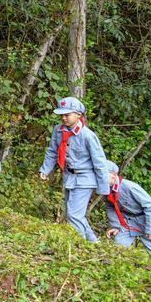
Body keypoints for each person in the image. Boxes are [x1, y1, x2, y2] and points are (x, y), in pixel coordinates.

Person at [39, 96, 110, 243]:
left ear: (78, 115)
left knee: (74, 215)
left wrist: (103, 188)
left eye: (67, 115)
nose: (64, 118)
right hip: (69, 177)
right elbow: (52, 151)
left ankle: (79, 246)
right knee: (75, 214)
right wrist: (45, 170)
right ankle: (93, 243)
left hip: (85, 178)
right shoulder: (58, 130)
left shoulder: (88, 136)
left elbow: (100, 162)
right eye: (61, 115)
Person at [100, 160, 151, 256]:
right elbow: (110, 207)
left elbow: (150, 206)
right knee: (118, 248)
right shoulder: (106, 190)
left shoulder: (129, 187)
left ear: (113, 175)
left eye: (102, 174)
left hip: (148, 220)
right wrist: (115, 225)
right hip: (128, 221)